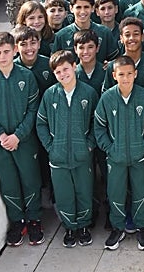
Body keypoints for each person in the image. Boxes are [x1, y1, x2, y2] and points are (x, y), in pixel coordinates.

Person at [0, 31, 43, 247]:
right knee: (9, 183)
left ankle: (34, 220)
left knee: (30, 180)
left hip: (24, 141)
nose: (2, 56)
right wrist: (2, 136)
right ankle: (17, 221)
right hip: (0, 144)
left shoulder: (26, 77)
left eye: (6, 51)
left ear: (14, 51)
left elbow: (33, 110)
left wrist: (18, 135)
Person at [36, 50, 98, 248]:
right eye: (58, 72)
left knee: (84, 191)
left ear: (74, 66)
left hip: (82, 155)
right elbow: (41, 123)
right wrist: (50, 146)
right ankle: (69, 227)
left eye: (65, 69)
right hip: (58, 156)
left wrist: (89, 144)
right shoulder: (50, 95)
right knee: (64, 194)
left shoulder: (88, 93)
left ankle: (84, 226)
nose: (63, 74)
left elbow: (97, 123)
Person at [93, 55, 144, 251]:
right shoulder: (107, 98)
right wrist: (110, 148)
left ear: (135, 74)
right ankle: (117, 228)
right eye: (121, 74)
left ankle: (142, 227)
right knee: (115, 193)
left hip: (139, 156)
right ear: (114, 76)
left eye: (129, 74)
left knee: (141, 192)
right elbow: (99, 126)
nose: (125, 78)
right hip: (116, 157)